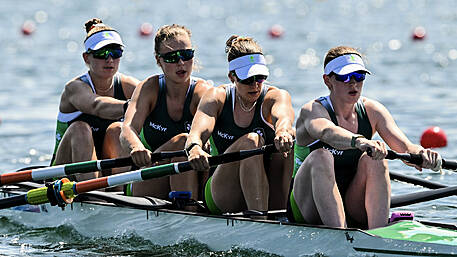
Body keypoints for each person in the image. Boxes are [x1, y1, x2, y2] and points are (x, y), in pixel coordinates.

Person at [288, 46, 442, 229]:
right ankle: (340, 237)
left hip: (352, 201)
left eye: (359, 76)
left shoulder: (372, 110)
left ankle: (378, 234)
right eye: (345, 77)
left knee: (377, 159)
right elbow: (326, 132)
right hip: (307, 206)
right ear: (327, 80)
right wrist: (359, 141)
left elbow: (406, 148)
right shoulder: (312, 110)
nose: (353, 83)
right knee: (321, 156)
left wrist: (423, 155)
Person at [186, 35, 295, 216]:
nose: (255, 85)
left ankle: (279, 214)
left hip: (268, 187)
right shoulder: (217, 97)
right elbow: (196, 134)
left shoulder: (276, 96)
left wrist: (283, 132)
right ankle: (261, 221)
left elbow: (284, 118)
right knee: (251, 141)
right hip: (223, 194)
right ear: (232, 77)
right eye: (247, 79)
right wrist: (195, 148)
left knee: (285, 148)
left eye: (259, 77)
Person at [118, 24, 212, 200]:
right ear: (158, 60)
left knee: (188, 147)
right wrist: (136, 147)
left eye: (186, 55)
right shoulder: (149, 89)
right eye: (171, 57)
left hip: (197, 176)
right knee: (183, 141)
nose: (181, 63)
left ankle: (189, 208)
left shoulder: (204, 93)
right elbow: (127, 130)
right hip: (148, 179)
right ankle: (188, 211)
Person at [51, 18, 139, 181]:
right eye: (101, 53)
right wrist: (133, 106)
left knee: (117, 129)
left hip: (106, 173)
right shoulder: (75, 88)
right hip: (65, 174)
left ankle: (118, 194)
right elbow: (97, 105)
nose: (109, 59)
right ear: (86, 58)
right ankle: (91, 192)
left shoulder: (129, 86)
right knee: (80, 129)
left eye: (115, 52)